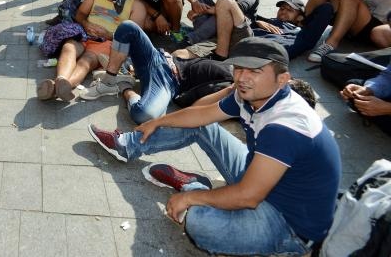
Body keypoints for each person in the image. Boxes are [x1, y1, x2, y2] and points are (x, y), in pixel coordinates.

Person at [88, 37, 341, 257]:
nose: (242, 78)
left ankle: (194, 188)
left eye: (255, 71)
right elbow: (201, 114)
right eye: (239, 68)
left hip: (287, 223)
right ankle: (127, 146)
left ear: (282, 79)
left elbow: (248, 196)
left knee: (200, 225)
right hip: (261, 178)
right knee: (201, 126)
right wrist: (158, 121)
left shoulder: (286, 125)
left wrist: (189, 198)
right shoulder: (252, 94)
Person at [81, 21, 233, 123]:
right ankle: (110, 80)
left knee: (144, 114)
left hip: (166, 81)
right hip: (163, 64)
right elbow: (192, 99)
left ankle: (124, 85)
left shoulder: (234, 84)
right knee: (128, 27)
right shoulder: (233, 80)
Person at [37, 0, 146, 102]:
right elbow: (80, 14)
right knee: (69, 47)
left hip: (108, 41)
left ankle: (59, 88)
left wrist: (108, 35)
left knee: (87, 60)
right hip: (84, 33)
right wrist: (86, 23)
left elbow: (134, 38)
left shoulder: (136, 6)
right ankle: (61, 80)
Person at [252, 0, 334, 59]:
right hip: (249, 42)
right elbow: (245, 17)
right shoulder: (265, 21)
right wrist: (257, 22)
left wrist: (305, 21)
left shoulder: (303, 35)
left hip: (270, 53)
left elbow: (326, 8)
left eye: (290, 10)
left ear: (299, 17)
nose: (283, 11)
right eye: (282, 8)